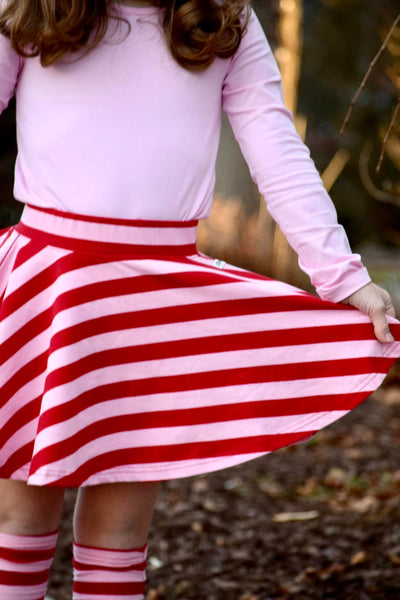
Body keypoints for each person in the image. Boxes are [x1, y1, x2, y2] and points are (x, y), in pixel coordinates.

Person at [0, 0, 398, 598]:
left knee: (120, 527)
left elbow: (275, 147)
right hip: (47, 288)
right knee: (20, 517)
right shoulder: (33, 9)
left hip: (155, 299)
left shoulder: (221, 16)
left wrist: (343, 277)